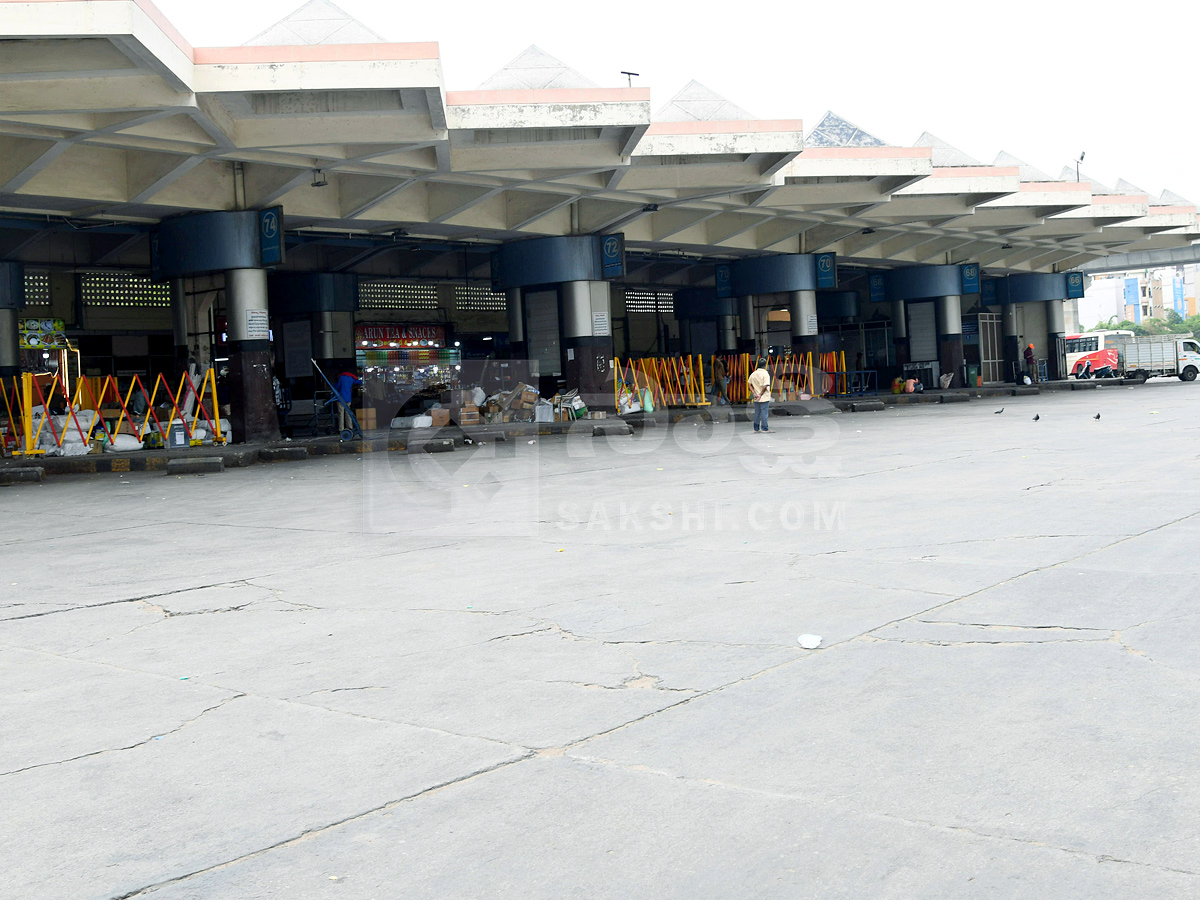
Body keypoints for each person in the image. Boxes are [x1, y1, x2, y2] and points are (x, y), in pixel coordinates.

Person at [747, 357, 773, 433]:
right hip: (764, 397)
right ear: (765, 365)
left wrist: (755, 394)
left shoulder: (753, 374)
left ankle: (756, 428)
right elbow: (765, 386)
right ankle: (765, 428)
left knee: (757, 413)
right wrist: (760, 395)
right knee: (764, 413)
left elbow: (749, 385)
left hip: (756, 398)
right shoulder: (765, 374)